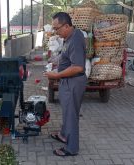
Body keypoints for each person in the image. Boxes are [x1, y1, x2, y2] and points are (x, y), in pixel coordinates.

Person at [44, 12, 87, 156]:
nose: (55, 32)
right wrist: (55, 61)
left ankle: (71, 148)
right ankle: (63, 134)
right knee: (67, 111)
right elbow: (66, 56)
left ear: (67, 26)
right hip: (68, 82)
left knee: (71, 115)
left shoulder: (75, 39)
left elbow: (77, 67)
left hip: (73, 82)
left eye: (57, 28)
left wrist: (56, 75)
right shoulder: (69, 37)